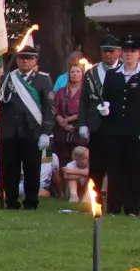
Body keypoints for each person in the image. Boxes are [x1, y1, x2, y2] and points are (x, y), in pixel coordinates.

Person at [0, 42, 55, 210]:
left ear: (35, 61)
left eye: (29, 59)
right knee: (10, 169)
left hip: (32, 131)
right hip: (10, 132)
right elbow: (0, 100)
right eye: (21, 59)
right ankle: (12, 201)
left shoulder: (43, 79)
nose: (25, 62)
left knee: (32, 169)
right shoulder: (8, 77)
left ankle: (31, 201)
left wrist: (46, 132)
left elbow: (49, 107)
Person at [98, 35, 140, 215]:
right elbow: (105, 97)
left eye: (133, 51)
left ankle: (132, 207)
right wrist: (103, 107)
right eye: (127, 51)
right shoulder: (112, 75)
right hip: (114, 130)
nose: (129, 55)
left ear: (138, 54)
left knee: (133, 169)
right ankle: (114, 206)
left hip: (135, 130)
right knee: (114, 168)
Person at [80, 34, 123, 204]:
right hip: (96, 124)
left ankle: (115, 200)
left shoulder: (125, 70)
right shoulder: (92, 72)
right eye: (105, 51)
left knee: (116, 164)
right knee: (96, 164)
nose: (108, 55)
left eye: (111, 51)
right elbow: (84, 100)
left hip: (116, 123)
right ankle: (94, 199)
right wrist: (82, 123)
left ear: (118, 52)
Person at [52, 61, 87, 171]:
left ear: (82, 74)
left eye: (78, 71)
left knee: (79, 161)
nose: (75, 74)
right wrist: (61, 122)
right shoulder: (61, 91)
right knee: (61, 162)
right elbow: (54, 108)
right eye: (72, 72)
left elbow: (85, 109)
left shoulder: (86, 91)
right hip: (61, 132)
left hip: (78, 130)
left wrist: (68, 120)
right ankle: (62, 188)